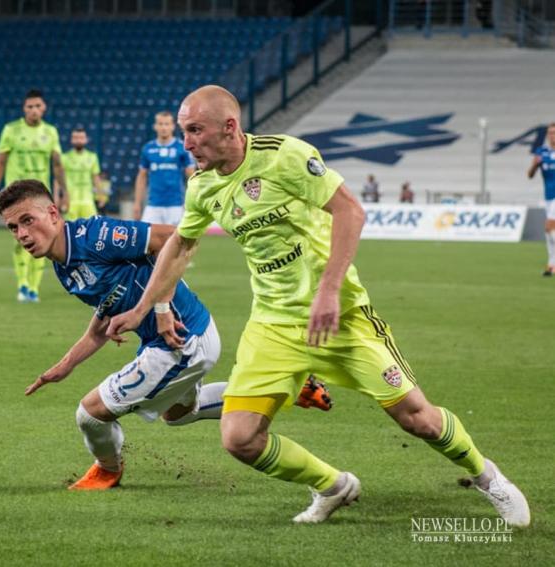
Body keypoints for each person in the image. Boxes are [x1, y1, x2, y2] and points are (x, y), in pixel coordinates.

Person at [107, 85, 530, 526]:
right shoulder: (202, 185)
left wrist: (328, 290)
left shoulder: (284, 155)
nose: (186, 142)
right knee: (240, 438)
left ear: (229, 127)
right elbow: (180, 245)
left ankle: (487, 477)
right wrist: (141, 309)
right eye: (182, 132)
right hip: (273, 325)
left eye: (194, 130)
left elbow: (350, 212)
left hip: (341, 316)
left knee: (417, 419)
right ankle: (333, 486)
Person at [0, 179, 332, 490]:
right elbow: (104, 316)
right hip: (182, 338)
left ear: (53, 213)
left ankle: (108, 469)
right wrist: (65, 365)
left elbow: (173, 239)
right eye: (13, 227)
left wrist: (160, 310)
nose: (21, 234)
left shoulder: (94, 236)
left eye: (27, 220)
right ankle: (284, 387)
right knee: (179, 413)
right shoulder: (63, 266)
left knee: (90, 414)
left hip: (179, 340)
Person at [0, 89, 66, 303]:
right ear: (24, 109)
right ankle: (22, 284)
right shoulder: (11, 130)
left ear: (44, 108)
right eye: (30, 106)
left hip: (40, 197)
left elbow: (58, 165)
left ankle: (34, 288)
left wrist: (64, 193)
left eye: (37, 106)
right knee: (19, 239)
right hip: (16, 197)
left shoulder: (50, 132)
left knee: (44, 239)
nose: (34, 110)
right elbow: (0, 162)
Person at [134, 111, 196, 225]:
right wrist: (137, 203)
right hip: (153, 205)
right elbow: (141, 177)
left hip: (176, 205)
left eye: (167, 124)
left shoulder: (182, 147)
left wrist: (193, 202)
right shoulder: (148, 148)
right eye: (160, 124)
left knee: (180, 241)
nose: (163, 127)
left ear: (172, 126)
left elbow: (192, 177)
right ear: (155, 126)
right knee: (147, 240)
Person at [526, 122, 555, 277]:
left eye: (554, 132)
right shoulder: (541, 152)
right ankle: (551, 265)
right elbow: (530, 175)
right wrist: (535, 165)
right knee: (548, 231)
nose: (552, 135)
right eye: (550, 132)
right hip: (549, 197)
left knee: (549, 226)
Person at [57, 126, 102, 221]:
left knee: (91, 230)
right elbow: (58, 180)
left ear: (86, 140)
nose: (78, 140)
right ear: (71, 140)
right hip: (70, 201)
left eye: (81, 138)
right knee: (70, 232)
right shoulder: (64, 158)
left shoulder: (92, 157)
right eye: (76, 138)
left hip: (88, 201)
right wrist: (57, 197)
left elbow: (96, 178)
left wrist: (100, 196)